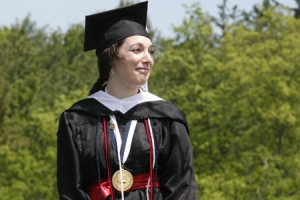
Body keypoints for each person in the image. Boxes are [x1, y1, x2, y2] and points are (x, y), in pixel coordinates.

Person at [56, 1, 198, 200]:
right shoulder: (78, 119)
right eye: (137, 50)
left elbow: (183, 189)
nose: (148, 59)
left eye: (151, 51)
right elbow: (70, 190)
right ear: (112, 57)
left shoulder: (167, 118)